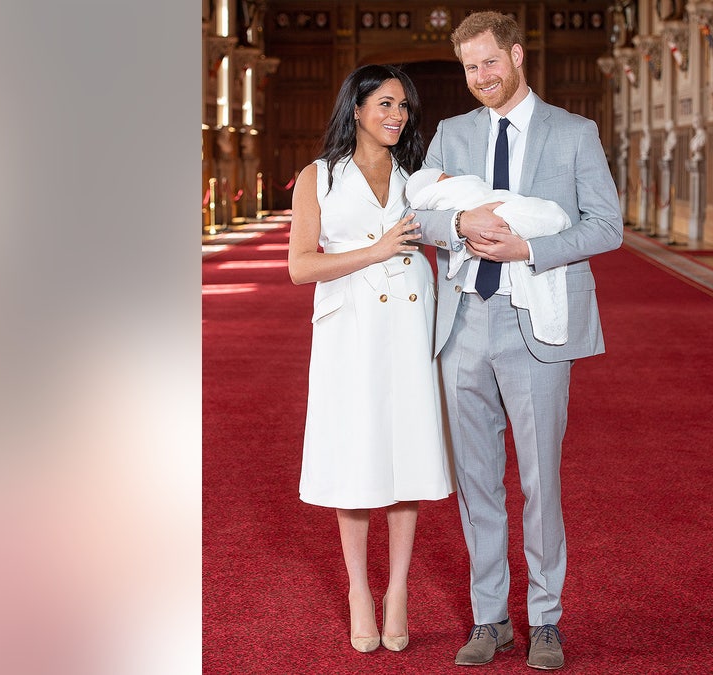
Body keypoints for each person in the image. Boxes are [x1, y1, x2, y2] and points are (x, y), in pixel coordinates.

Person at [409, 11, 623, 671]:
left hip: (536, 322)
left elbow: (606, 226)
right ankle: (490, 617)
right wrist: (461, 220)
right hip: (464, 323)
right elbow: (418, 213)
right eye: (470, 68)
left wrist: (529, 244)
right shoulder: (452, 133)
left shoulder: (574, 132)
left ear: (516, 55)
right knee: (477, 481)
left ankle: (547, 619)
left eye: (489, 63)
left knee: (540, 480)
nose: (480, 78)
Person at [288, 64, 454, 655]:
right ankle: (361, 588)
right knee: (357, 457)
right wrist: (376, 249)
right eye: (385, 103)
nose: (396, 116)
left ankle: (398, 591)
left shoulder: (418, 177)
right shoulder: (319, 178)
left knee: (406, 453)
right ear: (355, 109)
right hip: (350, 330)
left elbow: (454, 222)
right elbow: (301, 266)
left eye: (404, 106)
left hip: (410, 323)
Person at [404, 168, 572, 345]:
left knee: (535, 213)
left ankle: (550, 218)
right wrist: (460, 223)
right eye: (445, 178)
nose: (452, 178)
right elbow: (410, 218)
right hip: (462, 308)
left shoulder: (576, 139)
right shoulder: (445, 145)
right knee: (525, 215)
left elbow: (603, 223)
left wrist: (528, 250)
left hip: (524, 303)